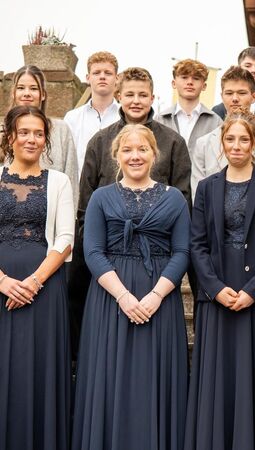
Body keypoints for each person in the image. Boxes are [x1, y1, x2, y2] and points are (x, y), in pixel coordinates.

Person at [72, 124, 190, 450]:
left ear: (154, 154)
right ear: (116, 156)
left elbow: (182, 251)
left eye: (142, 149)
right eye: (127, 150)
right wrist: (123, 296)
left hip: (159, 298)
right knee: (109, 377)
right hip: (110, 299)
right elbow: (92, 252)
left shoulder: (175, 199)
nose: (135, 156)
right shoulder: (100, 197)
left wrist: (156, 296)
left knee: (154, 378)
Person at [186, 109, 255, 450]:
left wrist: (253, 290)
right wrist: (215, 289)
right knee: (221, 379)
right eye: (230, 139)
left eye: (243, 139)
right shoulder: (206, 187)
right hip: (218, 296)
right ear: (221, 143)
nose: (236, 146)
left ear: (254, 143)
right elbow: (197, 244)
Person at [70, 66, 191, 357]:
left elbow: (182, 202)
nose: (136, 101)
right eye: (130, 95)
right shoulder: (100, 141)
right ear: (119, 96)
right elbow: (86, 202)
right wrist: (99, 252)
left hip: (157, 264)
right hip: (109, 258)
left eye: (142, 95)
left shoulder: (173, 141)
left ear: (152, 97)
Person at [0, 105, 74, 450]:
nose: (32, 139)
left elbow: (65, 239)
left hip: (44, 290)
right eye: (25, 132)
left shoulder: (59, 181)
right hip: (1, 287)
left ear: (46, 140)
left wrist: (33, 282)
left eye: (39, 133)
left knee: (38, 371)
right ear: (10, 137)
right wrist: (3, 281)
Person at [190, 66, 255, 196]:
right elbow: (198, 195)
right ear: (222, 96)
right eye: (229, 93)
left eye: (241, 93)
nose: (234, 98)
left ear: (254, 96)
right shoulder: (203, 144)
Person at [4, 65, 79, 206]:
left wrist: (69, 214)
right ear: (13, 93)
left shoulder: (61, 130)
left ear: (43, 94)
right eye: (21, 88)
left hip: (53, 211)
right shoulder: (4, 131)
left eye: (33, 88)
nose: (27, 93)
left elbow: (71, 180)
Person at [64, 51, 120, 177]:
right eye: (96, 73)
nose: (102, 77)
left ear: (117, 78)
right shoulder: (72, 118)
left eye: (108, 73)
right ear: (88, 78)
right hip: (81, 186)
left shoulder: (126, 116)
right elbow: (67, 159)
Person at [156, 58, 222, 147]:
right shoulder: (160, 120)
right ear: (174, 83)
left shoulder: (216, 122)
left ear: (204, 86)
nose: (190, 82)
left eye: (196, 78)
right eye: (184, 77)